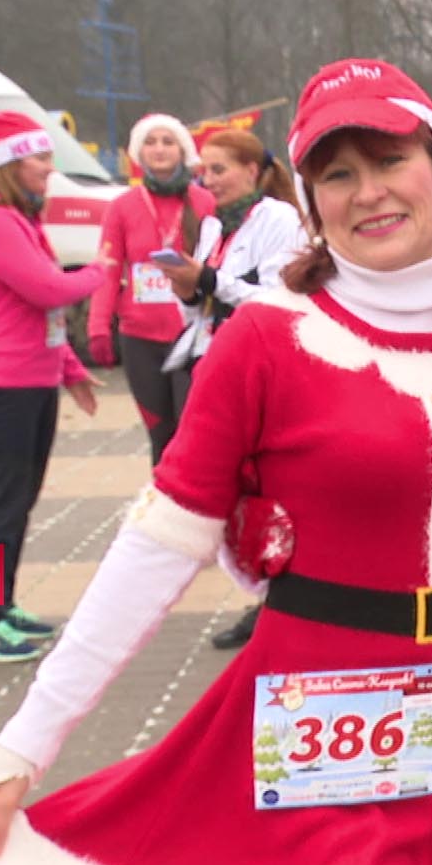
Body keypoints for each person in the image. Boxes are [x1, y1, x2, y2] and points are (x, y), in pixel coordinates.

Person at [0, 60, 432, 865]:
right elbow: (157, 547)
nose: (369, 192)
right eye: (337, 174)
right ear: (310, 203)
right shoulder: (267, 339)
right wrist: (25, 742)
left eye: (389, 161)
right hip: (327, 708)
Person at [0, 112, 111, 663]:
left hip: (30, 382)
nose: (49, 168)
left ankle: (3, 604)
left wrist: (69, 372)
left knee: (18, 502)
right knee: (1, 503)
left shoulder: (20, 220)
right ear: (11, 164)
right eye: (40, 158)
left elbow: (39, 317)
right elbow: (47, 291)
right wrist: (101, 272)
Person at [165, 127, 309, 651]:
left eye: (219, 169)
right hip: (209, 361)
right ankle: (260, 592)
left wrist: (207, 281)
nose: (209, 180)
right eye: (203, 170)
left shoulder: (282, 220)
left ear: (252, 170)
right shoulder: (210, 225)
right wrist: (188, 288)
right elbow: (201, 303)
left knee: (266, 487)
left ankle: (275, 601)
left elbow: (276, 299)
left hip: (260, 369)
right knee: (231, 491)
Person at [85, 113, 217, 464]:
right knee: (160, 435)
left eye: (168, 141)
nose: (159, 149)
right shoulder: (122, 207)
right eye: (151, 141)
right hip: (140, 338)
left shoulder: (204, 202)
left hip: (192, 336)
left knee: (191, 433)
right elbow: (108, 270)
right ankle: (161, 509)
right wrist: (98, 326)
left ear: (182, 150)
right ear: (138, 152)